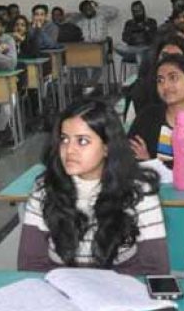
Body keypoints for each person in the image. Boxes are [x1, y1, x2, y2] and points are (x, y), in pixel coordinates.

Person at [17, 100, 168, 276]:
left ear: (106, 148)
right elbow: (30, 265)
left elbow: (156, 269)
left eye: (82, 141)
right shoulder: (45, 189)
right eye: (64, 139)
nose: (69, 150)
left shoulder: (139, 190)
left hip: (122, 294)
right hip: (60, 293)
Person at [128, 34, 184, 113]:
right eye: (165, 55)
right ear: (157, 58)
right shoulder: (142, 90)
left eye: (176, 56)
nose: (169, 60)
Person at [120, 0, 158, 65]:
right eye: (135, 12)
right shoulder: (129, 23)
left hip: (146, 49)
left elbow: (154, 38)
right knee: (116, 46)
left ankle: (141, 74)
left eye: (139, 11)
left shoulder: (151, 22)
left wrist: (146, 30)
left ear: (143, 10)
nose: (137, 13)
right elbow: (124, 38)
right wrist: (134, 32)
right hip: (132, 49)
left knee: (142, 53)